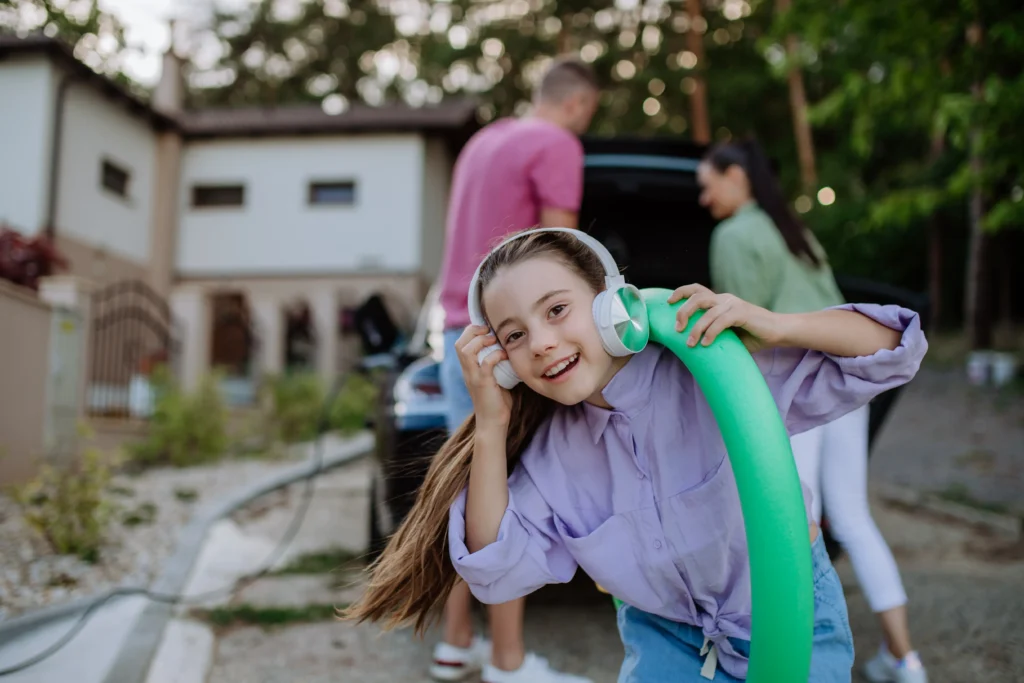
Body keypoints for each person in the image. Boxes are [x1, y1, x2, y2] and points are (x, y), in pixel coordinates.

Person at [344, 227, 929, 682]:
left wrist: (773, 325)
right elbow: (496, 572)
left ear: (610, 306)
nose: (542, 342)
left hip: (791, 614)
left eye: (556, 310)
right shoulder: (549, 458)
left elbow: (895, 348)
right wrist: (491, 426)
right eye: (514, 335)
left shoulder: (713, 370)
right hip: (664, 639)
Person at [697, 139, 929, 683]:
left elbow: (737, 333)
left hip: (795, 390)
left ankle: (794, 660)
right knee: (852, 516)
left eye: (707, 186)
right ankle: (906, 659)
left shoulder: (733, 234)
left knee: (795, 523)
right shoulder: (791, 228)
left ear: (736, 176)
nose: (704, 199)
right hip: (845, 380)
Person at [425, 56, 601, 683]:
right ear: (579, 104)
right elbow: (564, 259)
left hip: (458, 334)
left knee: (468, 493)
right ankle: (507, 663)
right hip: (511, 345)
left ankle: (454, 644)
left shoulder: (482, 142)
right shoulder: (557, 143)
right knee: (509, 502)